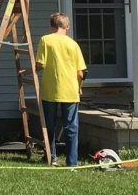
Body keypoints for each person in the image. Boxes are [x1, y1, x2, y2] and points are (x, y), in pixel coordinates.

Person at [35, 13, 86, 167]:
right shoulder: (73, 44)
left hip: (50, 90)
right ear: (67, 27)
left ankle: (51, 158)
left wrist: (28, 71)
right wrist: (79, 87)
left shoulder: (45, 40)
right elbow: (80, 73)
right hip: (70, 91)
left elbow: (40, 65)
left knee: (49, 126)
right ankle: (72, 163)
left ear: (52, 27)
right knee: (71, 128)